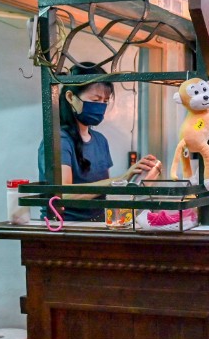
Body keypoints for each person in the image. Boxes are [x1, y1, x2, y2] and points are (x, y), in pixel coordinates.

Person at [37, 63, 160, 221]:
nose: (101, 106)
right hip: (67, 227)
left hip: (99, 223)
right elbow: (63, 193)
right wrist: (121, 179)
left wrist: (137, 177)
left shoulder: (100, 141)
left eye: (105, 101)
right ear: (70, 97)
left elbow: (102, 191)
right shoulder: (59, 141)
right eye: (95, 100)